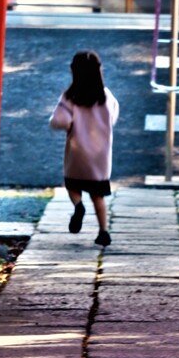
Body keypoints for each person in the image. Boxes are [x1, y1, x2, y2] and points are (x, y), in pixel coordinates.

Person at [49, 50, 119, 246]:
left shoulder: (70, 97)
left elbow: (60, 120)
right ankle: (103, 231)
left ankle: (78, 206)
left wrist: (57, 123)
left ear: (74, 71)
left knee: (73, 184)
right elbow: (113, 116)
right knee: (98, 196)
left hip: (77, 152)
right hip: (100, 156)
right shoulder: (106, 97)